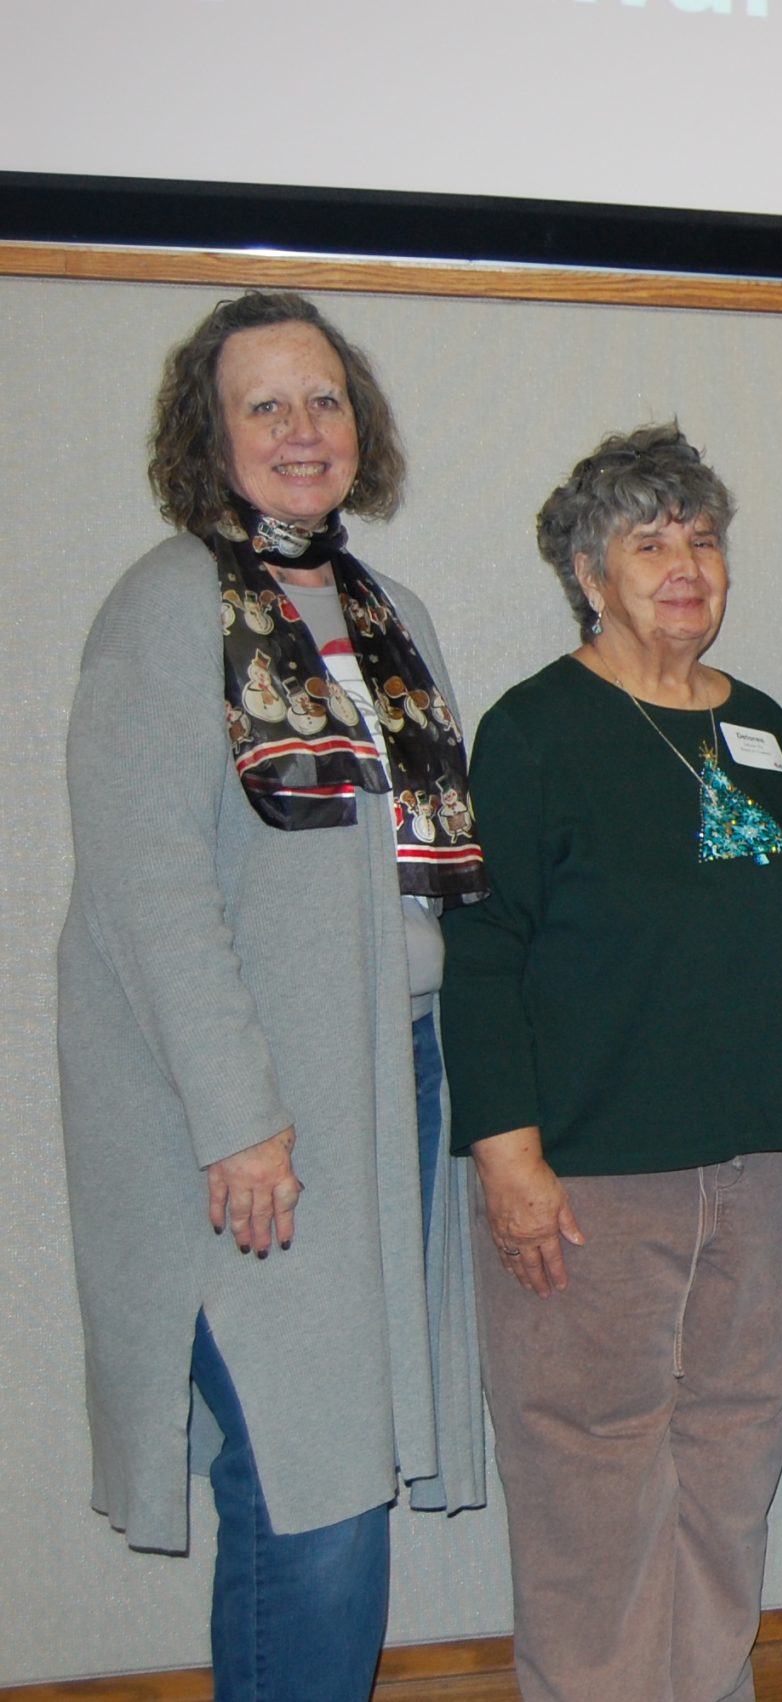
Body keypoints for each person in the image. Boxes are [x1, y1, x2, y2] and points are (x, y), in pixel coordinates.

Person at [56, 289, 487, 1698]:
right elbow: (150, 892)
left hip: (393, 1088)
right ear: (209, 435)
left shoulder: (388, 613)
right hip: (258, 1121)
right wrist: (239, 1120)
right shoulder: (168, 609)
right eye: (267, 405)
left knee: (342, 1465)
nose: (305, 431)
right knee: (311, 1499)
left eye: (326, 400)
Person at [439, 424, 782, 1702]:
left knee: (730, 1461)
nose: (684, 565)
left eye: (702, 539)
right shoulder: (537, 728)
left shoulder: (763, 723)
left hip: (762, 1171)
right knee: (588, 1484)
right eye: (648, 543)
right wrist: (508, 1154)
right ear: (588, 574)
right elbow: (483, 949)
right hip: (592, 1178)